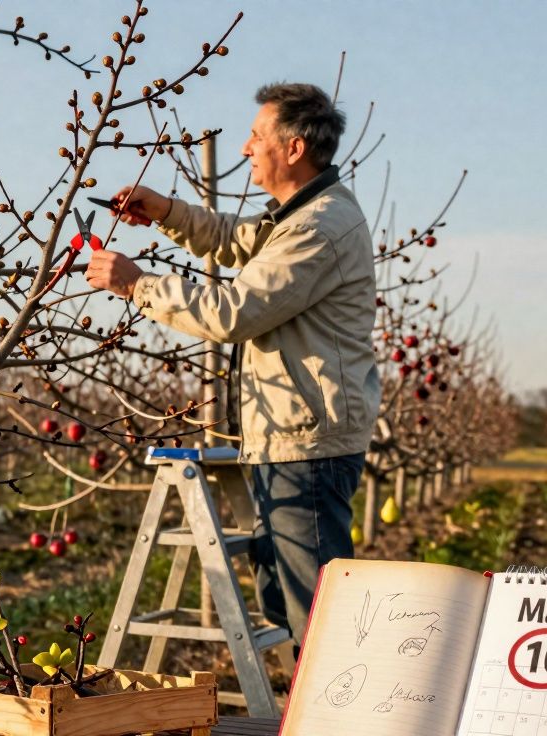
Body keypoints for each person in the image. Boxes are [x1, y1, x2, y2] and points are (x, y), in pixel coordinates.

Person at [84, 82, 380, 647]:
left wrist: (137, 284)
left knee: (319, 623)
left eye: (256, 136)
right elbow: (234, 238)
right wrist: (167, 212)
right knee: (291, 606)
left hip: (308, 446)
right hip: (286, 436)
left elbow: (233, 312)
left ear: (293, 149)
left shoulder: (319, 228)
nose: (246, 148)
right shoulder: (296, 218)